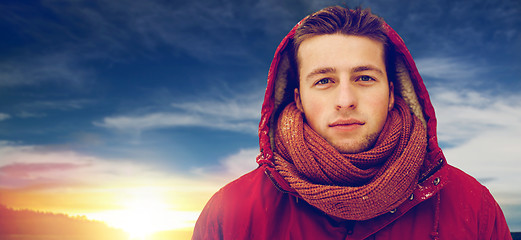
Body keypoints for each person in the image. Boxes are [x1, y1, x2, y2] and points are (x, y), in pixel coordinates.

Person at [192, 6, 512, 240]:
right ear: (298, 99)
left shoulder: (472, 204)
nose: (345, 99)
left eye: (364, 77)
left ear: (391, 92)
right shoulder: (231, 214)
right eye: (324, 81)